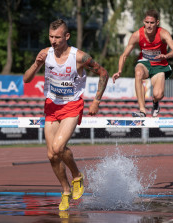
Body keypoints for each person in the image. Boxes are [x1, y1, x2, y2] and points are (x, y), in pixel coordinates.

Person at [24, 19, 109, 211]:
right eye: (50, 37)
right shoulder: (45, 54)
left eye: (57, 37)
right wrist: (36, 64)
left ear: (67, 36)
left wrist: (96, 100)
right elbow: (26, 79)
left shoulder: (79, 57)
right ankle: (65, 191)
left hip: (72, 105)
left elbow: (103, 73)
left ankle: (77, 176)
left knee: (58, 146)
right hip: (52, 105)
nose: (53, 41)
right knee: (52, 155)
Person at [112, 9, 173, 117]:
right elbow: (124, 55)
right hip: (145, 63)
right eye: (147, 22)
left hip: (159, 65)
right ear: (144, 21)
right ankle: (142, 110)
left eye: (152, 23)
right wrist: (119, 71)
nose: (149, 26)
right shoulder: (137, 35)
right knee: (138, 73)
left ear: (157, 23)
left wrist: (166, 56)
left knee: (158, 94)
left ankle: (155, 102)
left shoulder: (163, 33)